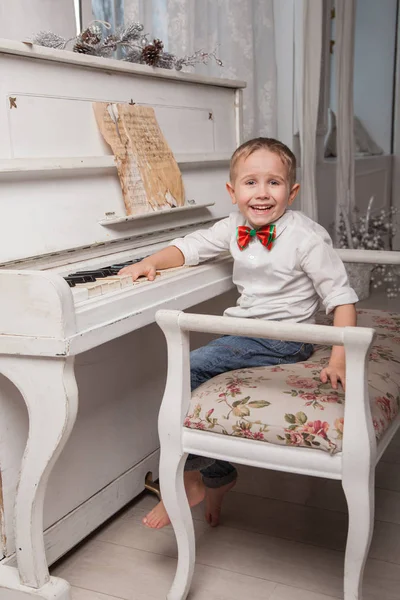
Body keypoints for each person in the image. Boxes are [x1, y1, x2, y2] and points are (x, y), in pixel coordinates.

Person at [119, 137, 358, 530]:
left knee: (189, 367)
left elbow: (342, 298)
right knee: (193, 375)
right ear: (232, 192)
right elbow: (190, 247)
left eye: (274, 183)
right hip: (246, 332)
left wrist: (339, 357)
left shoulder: (306, 238)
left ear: (292, 191)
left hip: (284, 339)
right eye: (251, 182)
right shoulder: (233, 226)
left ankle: (191, 477)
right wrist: (150, 261)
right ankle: (217, 476)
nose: (262, 193)